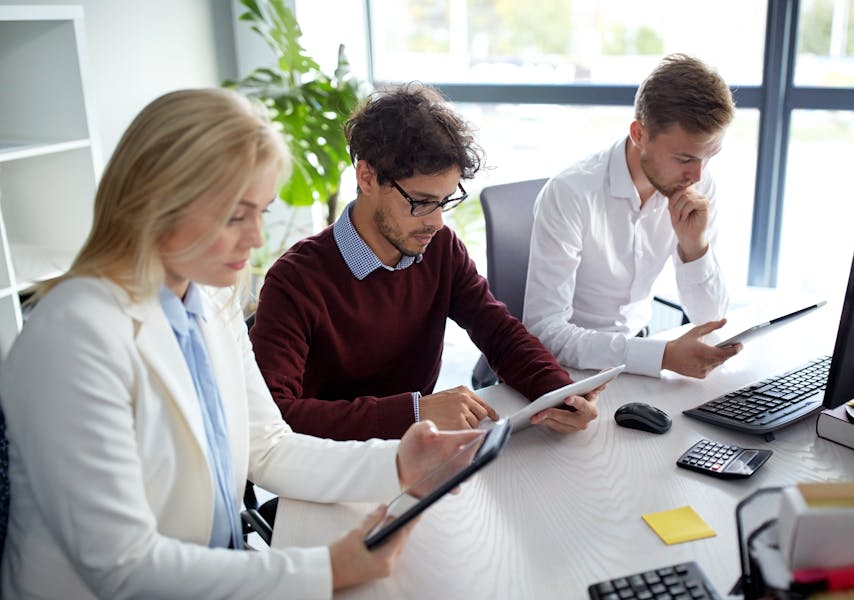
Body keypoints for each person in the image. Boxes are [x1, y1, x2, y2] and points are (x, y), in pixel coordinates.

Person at [0, 87, 485, 599]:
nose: (257, 238)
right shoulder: (72, 339)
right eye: (236, 215)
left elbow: (270, 448)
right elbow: (123, 569)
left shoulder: (209, 300)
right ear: (157, 203)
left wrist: (399, 464)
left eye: (262, 211)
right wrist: (328, 569)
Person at [249, 82, 602, 442]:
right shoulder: (295, 281)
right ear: (367, 178)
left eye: (445, 201)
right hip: (333, 465)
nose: (436, 222)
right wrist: (413, 412)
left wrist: (559, 391)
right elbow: (275, 414)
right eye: (420, 202)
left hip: (419, 451)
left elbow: (499, 332)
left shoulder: (439, 248)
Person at [522, 53, 742, 380]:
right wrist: (659, 356)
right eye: (685, 158)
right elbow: (545, 332)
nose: (697, 174)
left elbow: (710, 320)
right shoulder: (571, 193)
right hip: (571, 369)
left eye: (710, 156)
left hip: (642, 357)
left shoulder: (698, 184)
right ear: (639, 134)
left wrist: (694, 247)